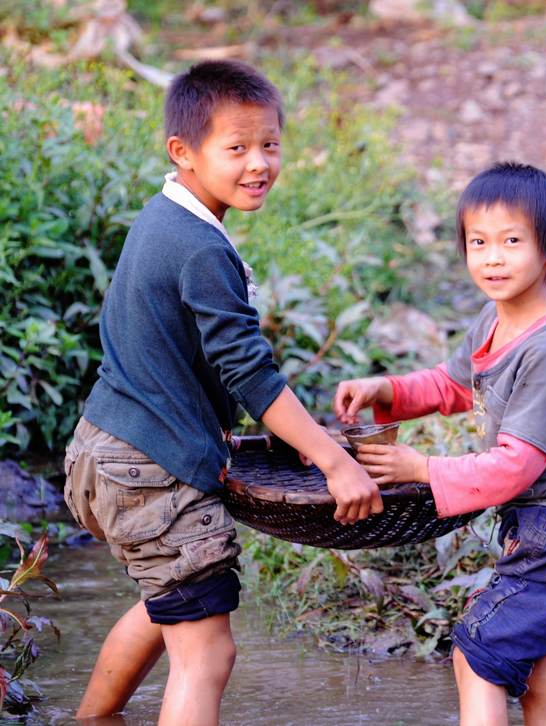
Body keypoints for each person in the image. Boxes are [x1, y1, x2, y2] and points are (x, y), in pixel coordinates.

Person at [62, 59, 382, 726]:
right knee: (207, 656)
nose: (258, 163)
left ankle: (92, 719)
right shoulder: (200, 248)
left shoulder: (164, 217)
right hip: (153, 470)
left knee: (166, 605)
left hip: (103, 453)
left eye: (269, 144)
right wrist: (333, 459)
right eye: (235, 148)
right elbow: (250, 373)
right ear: (183, 152)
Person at [335, 162, 546, 725]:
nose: (492, 257)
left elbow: (517, 466)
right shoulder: (493, 322)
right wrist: (384, 388)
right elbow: (450, 384)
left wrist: (420, 467)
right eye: (478, 242)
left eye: (512, 241)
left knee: (478, 655)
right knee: (540, 685)